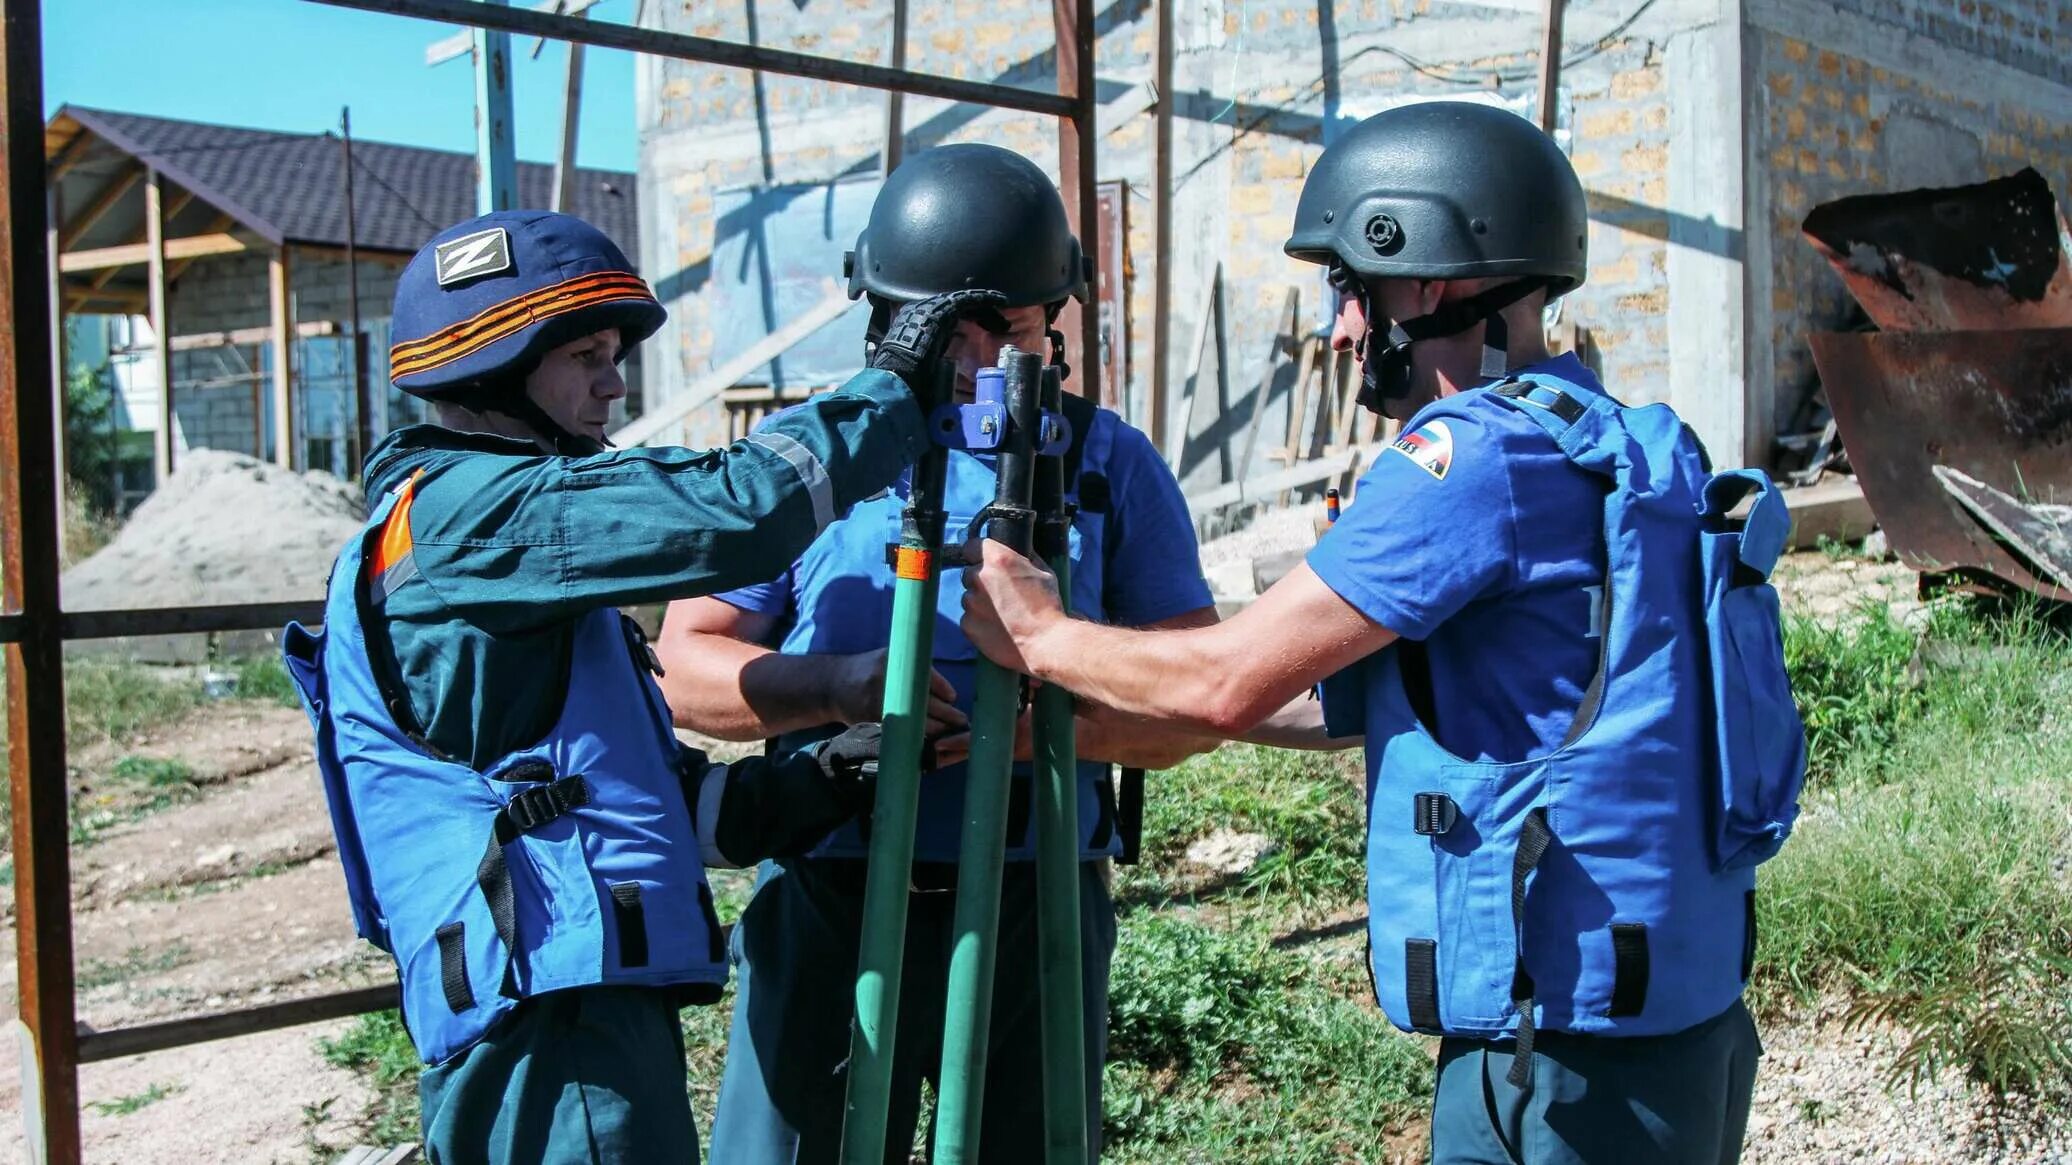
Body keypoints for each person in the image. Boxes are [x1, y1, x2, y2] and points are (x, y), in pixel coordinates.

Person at [960, 102, 1803, 1164]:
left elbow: (1226, 678)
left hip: (1552, 1057)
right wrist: (1095, 712)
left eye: (1348, 290)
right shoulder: (1603, 436)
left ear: (1424, 280)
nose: (1339, 328)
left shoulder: (1463, 464)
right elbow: (1331, 693)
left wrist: (1038, 632)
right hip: (1665, 1011)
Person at [280, 209, 1001, 1164]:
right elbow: (732, 510)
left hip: (562, 1010)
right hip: (554, 1025)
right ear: (489, 371)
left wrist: (818, 780)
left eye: (613, 353)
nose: (614, 382)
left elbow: (637, 806)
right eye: (585, 354)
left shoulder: (495, 548)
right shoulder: (477, 514)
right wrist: (891, 391)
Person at [655, 143, 1230, 1163]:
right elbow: (685, 667)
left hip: (1035, 902)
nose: (973, 364)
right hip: (829, 888)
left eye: (1003, 332)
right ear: (881, 317)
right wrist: (833, 689)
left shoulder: (1105, 463)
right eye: (943, 335)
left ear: (1050, 323)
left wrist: (1042, 737)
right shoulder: (801, 462)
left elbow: (1191, 702)